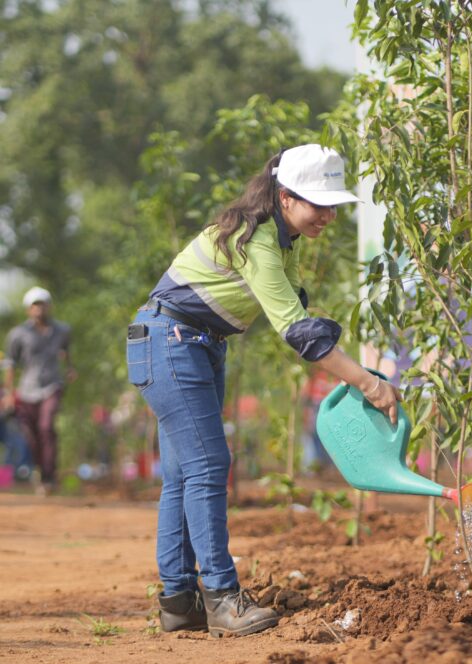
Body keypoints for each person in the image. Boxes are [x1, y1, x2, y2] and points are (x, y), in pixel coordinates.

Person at [126, 144, 402, 639]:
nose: (328, 215)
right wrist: (366, 381)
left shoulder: (281, 240)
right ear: (285, 196)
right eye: (318, 203)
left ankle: (178, 602)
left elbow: (298, 309)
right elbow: (297, 332)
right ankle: (222, 599)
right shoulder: (256, 240)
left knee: (185, 475)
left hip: (191, 344)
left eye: (333, 204)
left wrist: (349, 360)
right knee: (208, 466)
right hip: (172, 343)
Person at [3, 287, 75, 494]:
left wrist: (70, 368)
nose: (39, 309)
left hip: (52, 385)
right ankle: (40, 471)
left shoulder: (62, 330)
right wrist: (8, 394)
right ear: (28, 309)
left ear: (49, 306)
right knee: (31, 436)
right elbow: (10, 365)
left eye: (42, 304)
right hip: (26, 390)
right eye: (35, 305)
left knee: (46, 427)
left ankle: (50, 476)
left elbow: (66, 351)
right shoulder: (18, 334)